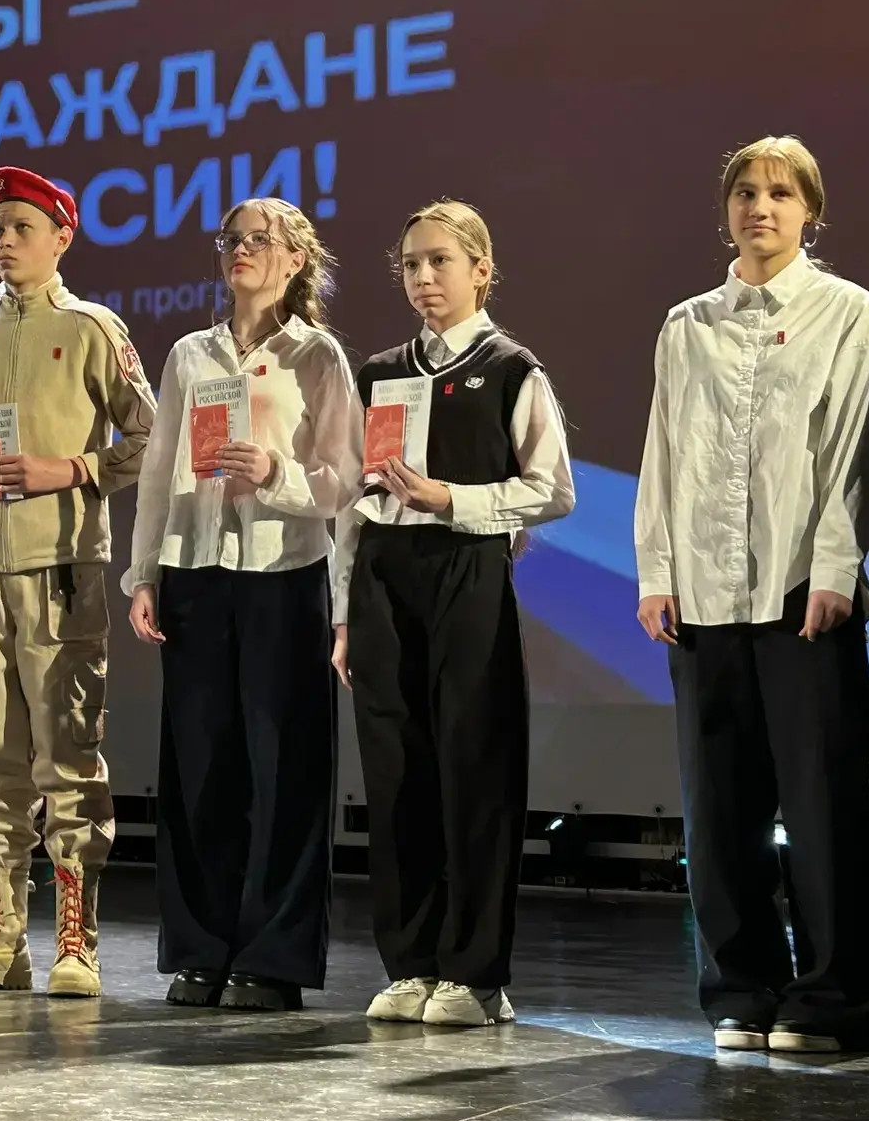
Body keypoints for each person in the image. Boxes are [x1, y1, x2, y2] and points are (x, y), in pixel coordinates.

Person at [635, 136, 869, 1054]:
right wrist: (656, 574)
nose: (761, 207)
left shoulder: (845, 311)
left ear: (810, 210)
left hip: (799, 590)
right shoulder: (687, 324)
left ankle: (830, 999)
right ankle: (739, 990)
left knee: (821, 807)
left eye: (781, 193)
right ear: (726, 208)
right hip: (703, 596)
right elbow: (664, 452)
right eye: (745, 191)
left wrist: (835, 571)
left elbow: (852, 448)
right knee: (718, 808)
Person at [335, 199, 575, 1028]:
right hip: (383, 578)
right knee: (395, 772)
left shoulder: (511, 368)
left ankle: (475, 974)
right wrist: (343, 612)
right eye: (411, 264)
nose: (424, 277)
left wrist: (455, 500)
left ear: (482, 269)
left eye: (440, 260)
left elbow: (553, 489)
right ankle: (410, 962)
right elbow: (354, 503)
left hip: (467, 570)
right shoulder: (378, 373)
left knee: (474, 769)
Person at [0, 165, 157, 998]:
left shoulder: (92, 328)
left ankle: (76, 943)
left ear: (62, 238)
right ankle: (0, 940)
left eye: (23, 227)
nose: (6, 242)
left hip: (63, 571)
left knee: (70, 760)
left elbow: (151, 435)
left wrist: (75, 468)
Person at [124, 198, 354, 1012]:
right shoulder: (190, 354)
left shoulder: (318, 355)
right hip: (195, 571)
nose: (242, 249)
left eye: (261, 239)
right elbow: (159, 471)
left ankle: (273, 959)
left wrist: (276, 474)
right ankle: (200, 949)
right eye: (232, 238)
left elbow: (346, 480)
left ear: (296, 260)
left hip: (284, 573)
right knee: (199, 769)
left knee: (284, 771)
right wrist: (144, 574)